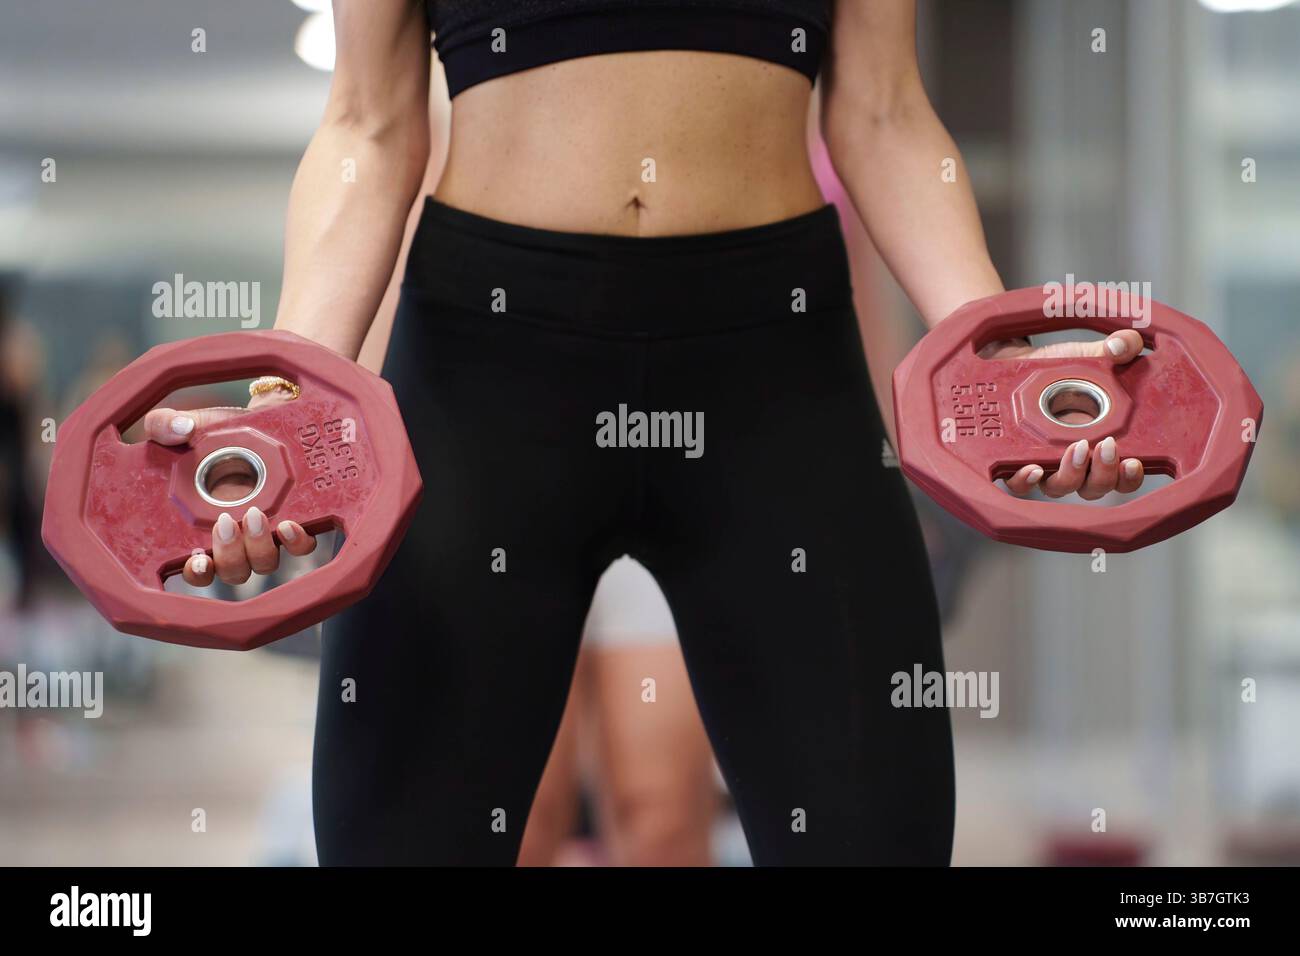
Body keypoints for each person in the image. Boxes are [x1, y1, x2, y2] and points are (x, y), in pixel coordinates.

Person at [141, 1, 1148, 865]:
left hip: (772, 366)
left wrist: (1003, 359)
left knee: (872, 832)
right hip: (489, 368)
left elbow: (883, 108)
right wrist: (288, 397)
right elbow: (368, 122)